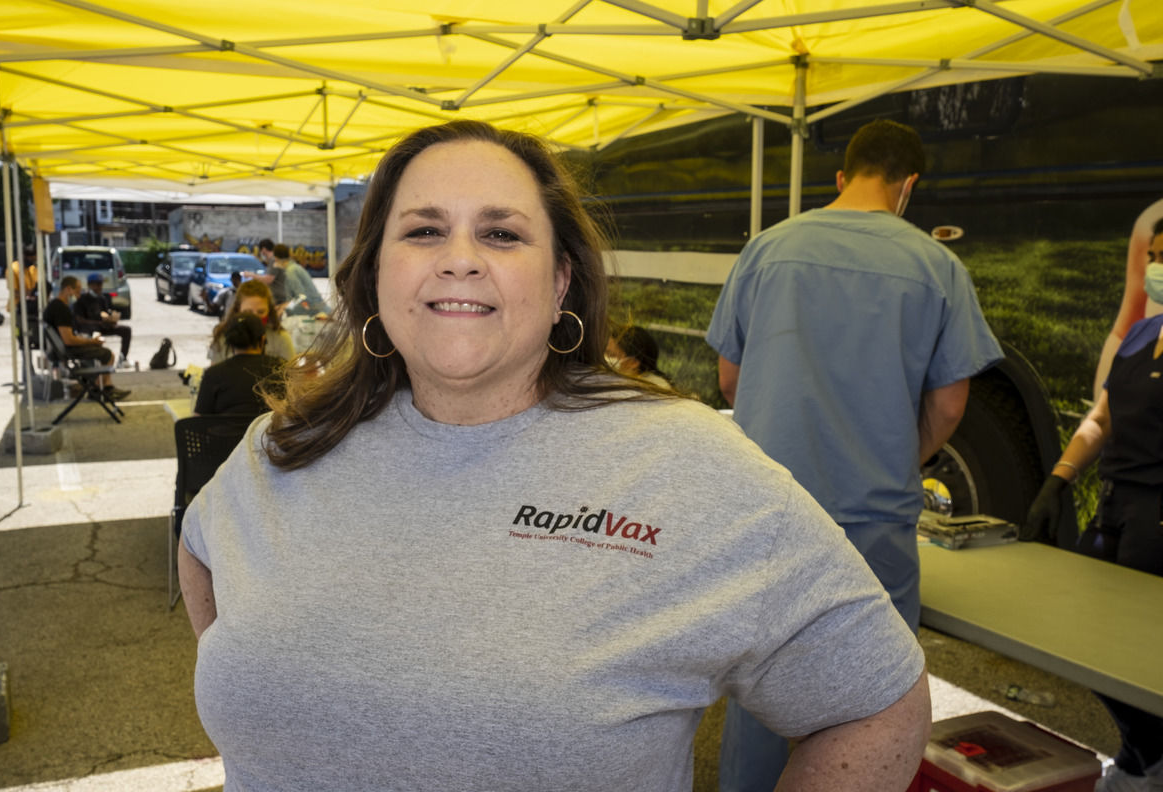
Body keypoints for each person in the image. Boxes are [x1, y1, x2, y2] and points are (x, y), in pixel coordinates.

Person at [179, 119, 930, 791]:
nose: (461, 260)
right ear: (376, 273)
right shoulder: (288, 444)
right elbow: (201, 548)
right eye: (423, 231)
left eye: (502, 234)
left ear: (562, 278)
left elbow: (878, 704)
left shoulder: (688, 466)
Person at [706, 118, 1001, 792]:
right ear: (908, 186)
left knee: (760, 683)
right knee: (872, 698)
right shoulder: (937, 267)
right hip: (876, 518)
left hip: (770, 514)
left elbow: (730, 380)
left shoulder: (769, 249)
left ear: (841, 178)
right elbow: (950, 405)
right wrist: (896, 454)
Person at [1025, 219, 1163, 792]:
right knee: (1086, 642)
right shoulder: (1139, 334)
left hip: (1156, 517)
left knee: (1141, 655)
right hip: (1114, 509)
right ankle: (1145, 756)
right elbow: (1100, 417)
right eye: (1153, 255)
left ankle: (1142, 763)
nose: (1155, 267)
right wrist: (1057, 482)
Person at [1094, 198, 1163, 397]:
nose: (1155, 267)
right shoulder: (1150, 223)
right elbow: (1121, 333)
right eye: (1152, 258)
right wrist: (1099, 419)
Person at [43, 275, 129, 400]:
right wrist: (90, 341)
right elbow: (69, 339)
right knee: (107, 354)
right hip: (67, 350)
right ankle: (98, 389)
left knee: (104, 351)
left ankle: (103, 388)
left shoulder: (56, 306)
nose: (79, 293)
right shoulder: (61, 309)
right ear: (68, 289)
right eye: (77, 290)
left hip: (63, 349)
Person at [194, 313, 284, 416]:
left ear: (229, 342)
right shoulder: (280, 368)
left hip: (225, 432)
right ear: (263, 339)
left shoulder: (213, 374)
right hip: (267, 432)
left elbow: (199, 420)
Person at [206, 280, 295, 364]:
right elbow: (214, 374)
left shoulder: (281, 338)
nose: (255, 318)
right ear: (238, 310)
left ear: (269, 311)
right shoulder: (223, 336)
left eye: (261, 312)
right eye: (248, 312)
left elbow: (292, 375)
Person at [73, 272, 133, 367]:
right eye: (97, 284)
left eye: (100, 284)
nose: (99, 287)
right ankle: (95, 360)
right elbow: (80, 320)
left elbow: (105, 313)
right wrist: (98, 323)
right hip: (89, 329)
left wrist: (111, 319)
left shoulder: (102, 298)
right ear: (90, 285)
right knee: (93, 333)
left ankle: (123, 358)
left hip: (103, 326)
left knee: (126, 330)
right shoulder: (82, 300)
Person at [274, 243, 331, 320]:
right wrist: (282, 306)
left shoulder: (291, 271)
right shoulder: (294, 268)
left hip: (318, 313)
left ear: (276, 258)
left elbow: (302, 297)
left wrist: (284, 307)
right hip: (317, 310)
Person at [606, 324, 673, 389]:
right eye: (604, 352)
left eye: (611, 354)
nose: (604, 357)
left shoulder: (656, 387)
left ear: (633, 363)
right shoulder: (614, 380)